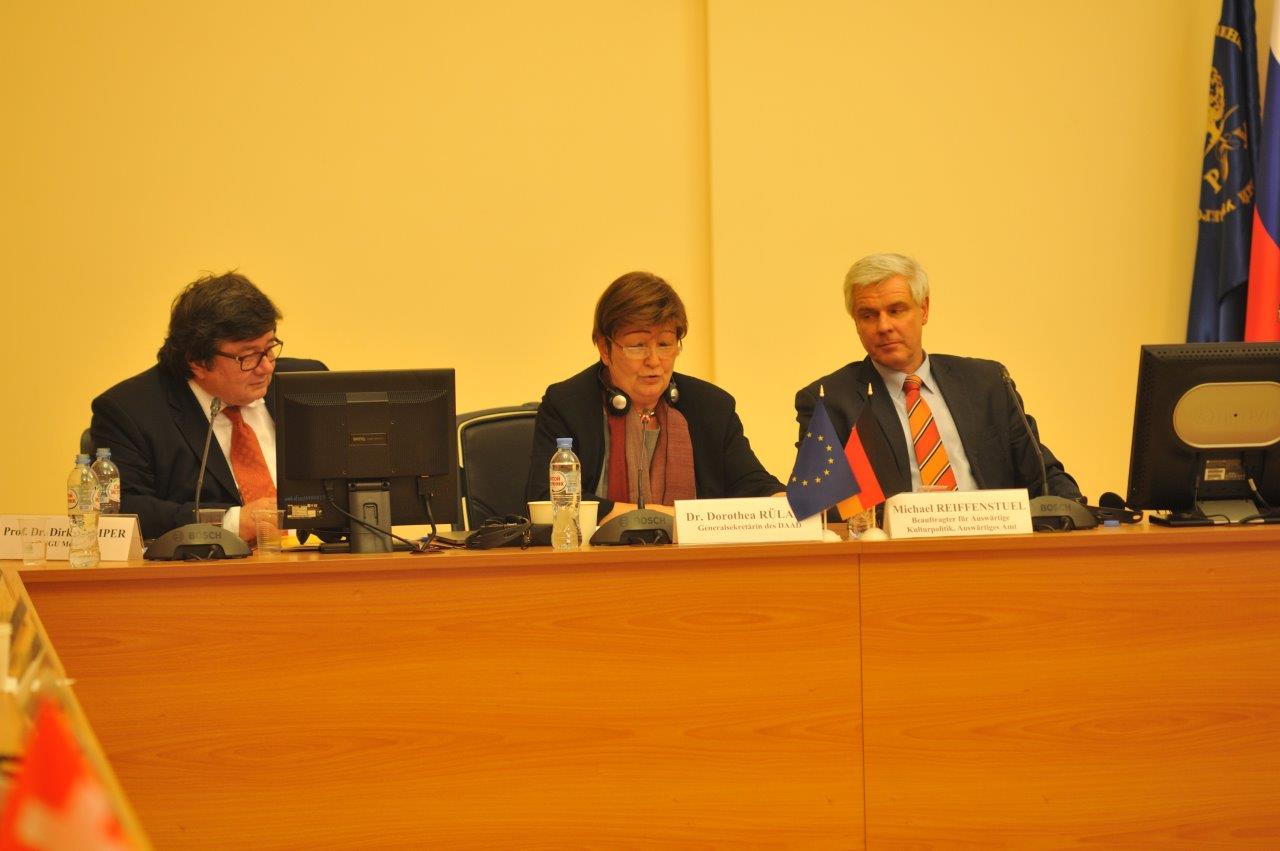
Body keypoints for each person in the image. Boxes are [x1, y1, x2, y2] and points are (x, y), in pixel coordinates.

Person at [795, 253, 1081, 501]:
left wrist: (1071, 510)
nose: (884, 326)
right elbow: (822, 508)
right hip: (894, 555)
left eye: (896, 310)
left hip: (993, 547)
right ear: (856, 323)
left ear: (924, 310)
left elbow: (1044, 476)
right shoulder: (829, 400)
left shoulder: (988, 383)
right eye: (868, 315)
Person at [526, 271, 783, 523]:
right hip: (595, 559)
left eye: (664, 344)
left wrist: (788, 502)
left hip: (694, 562)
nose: (654, 361)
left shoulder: (711, 406)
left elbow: (752, 484)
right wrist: (661, 517)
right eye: (638, 345)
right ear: (605, 349)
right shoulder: (568, 405)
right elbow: (546, 500)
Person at [90, 272, 326, 541]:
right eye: (248, 356)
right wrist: (231, 522)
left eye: (270, 347)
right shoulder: (130, 411)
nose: (267, 366)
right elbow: (122, 510)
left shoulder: (305, 384)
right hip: (207, 574)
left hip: (313, 561)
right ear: (198, 362)